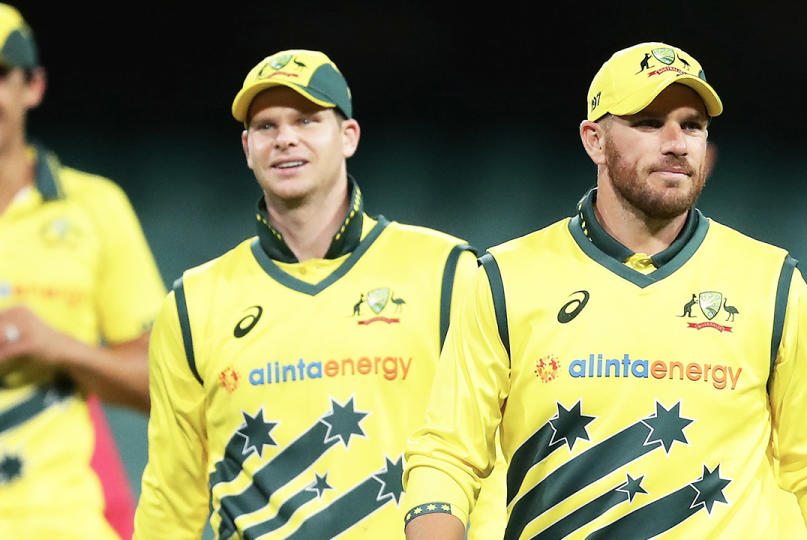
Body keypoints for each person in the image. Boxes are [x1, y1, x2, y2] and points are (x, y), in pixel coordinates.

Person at [403, 42, 807, 539]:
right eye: (650, 123)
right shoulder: (507, 279)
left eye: (692, 125)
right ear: (594, 140)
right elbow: (447, 456)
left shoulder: (771, 282)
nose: (676, 142)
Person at [133, 49, 504, 539]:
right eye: (266, 126)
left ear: (348, 136)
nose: (285, 137)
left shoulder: (446, 272)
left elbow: (491, 463)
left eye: (306, 120)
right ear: (247, 147)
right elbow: (170, 496)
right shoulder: (193, 302)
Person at [0, 4, 166, 539]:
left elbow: (164, 384)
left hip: (63, 525)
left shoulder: (94, 207)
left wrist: (58, 347)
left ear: (33, 86)